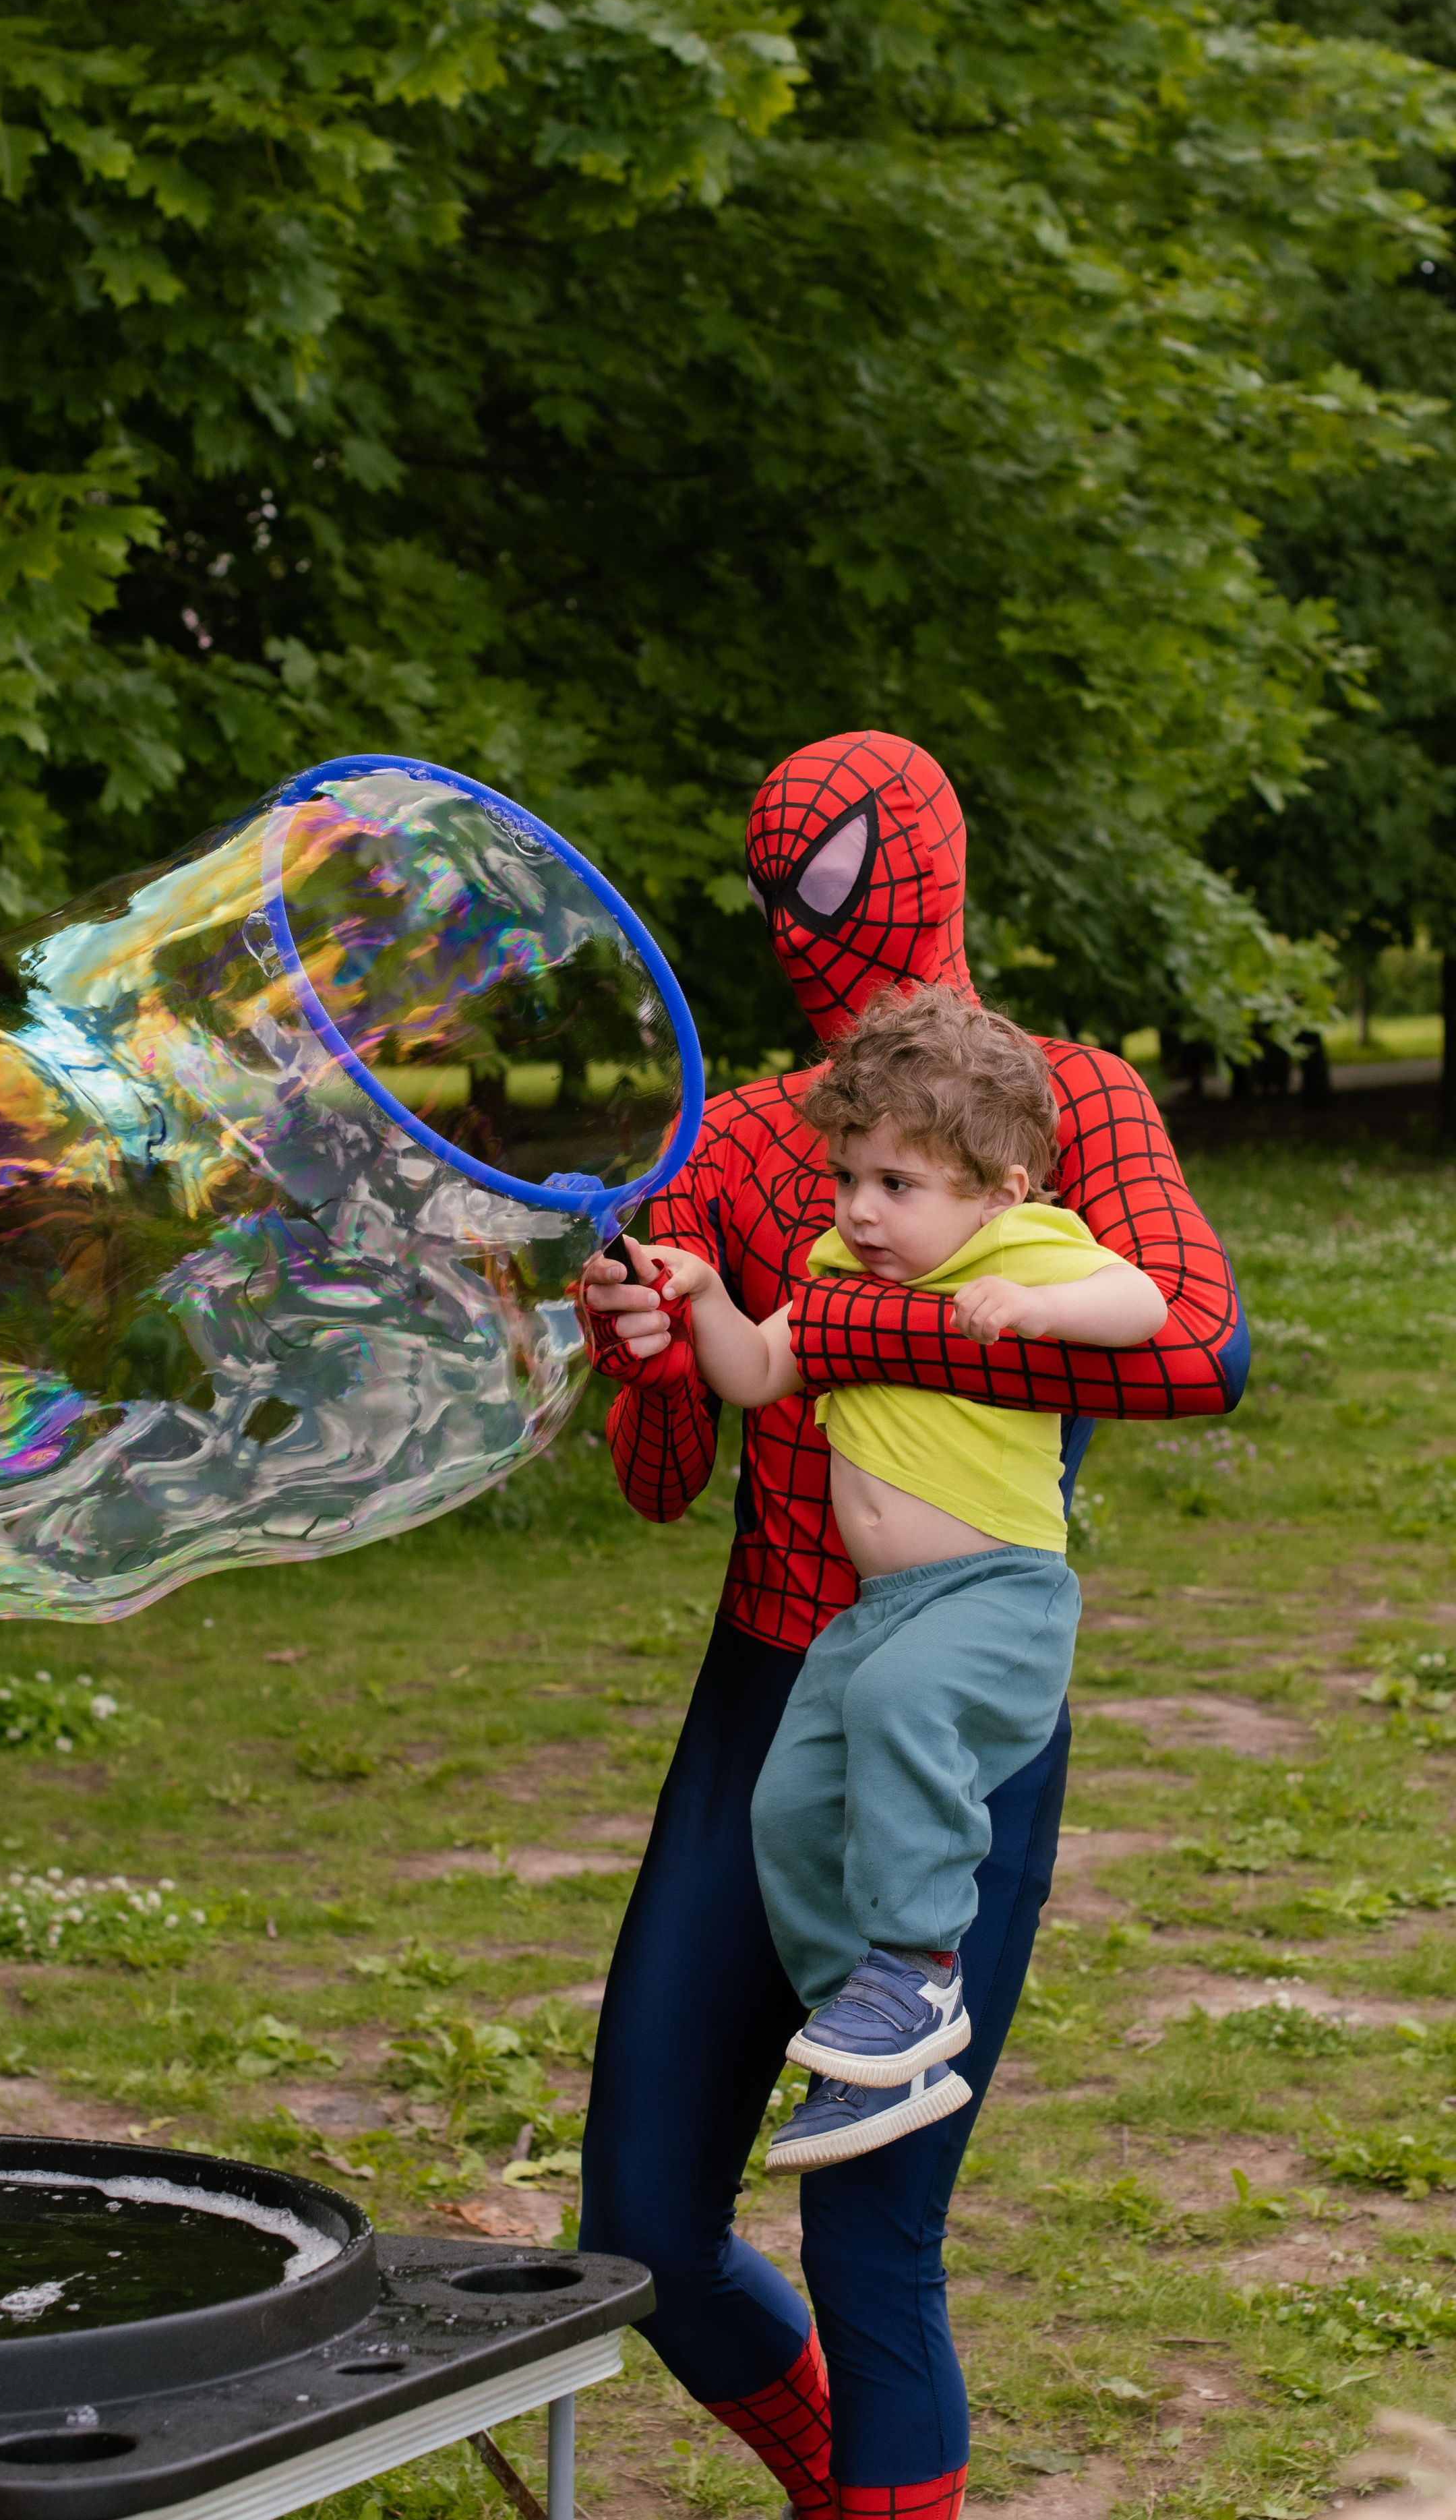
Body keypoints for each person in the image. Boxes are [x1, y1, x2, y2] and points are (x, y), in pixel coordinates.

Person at [576, 730, 1246, 2520]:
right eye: (786, 879)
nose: (818, 911)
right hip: (768, 1690)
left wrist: (861, 1332)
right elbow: (662, 1474)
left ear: (930, 859)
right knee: (639, 2227)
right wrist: (641, 1344)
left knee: (873, 2236)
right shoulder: (744, 1141)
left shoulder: (1064, 1099)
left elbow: (1201, 1346)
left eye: (841, 867)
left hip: (955, 1700)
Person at [632, 986, 1166, 2171]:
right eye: (847, 1178)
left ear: (996, 1191)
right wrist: (707, 1296)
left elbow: (1145, 1302)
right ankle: (874, 2030)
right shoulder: (837, 1268)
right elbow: (758, 1372)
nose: (861, 1210)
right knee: (788, 1804)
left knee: (896, 1707)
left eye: (897, 1184)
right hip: (875, 1613)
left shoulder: (1019, 1245)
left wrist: (1041, 1306)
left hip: (998, 1596)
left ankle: (920, 1970)